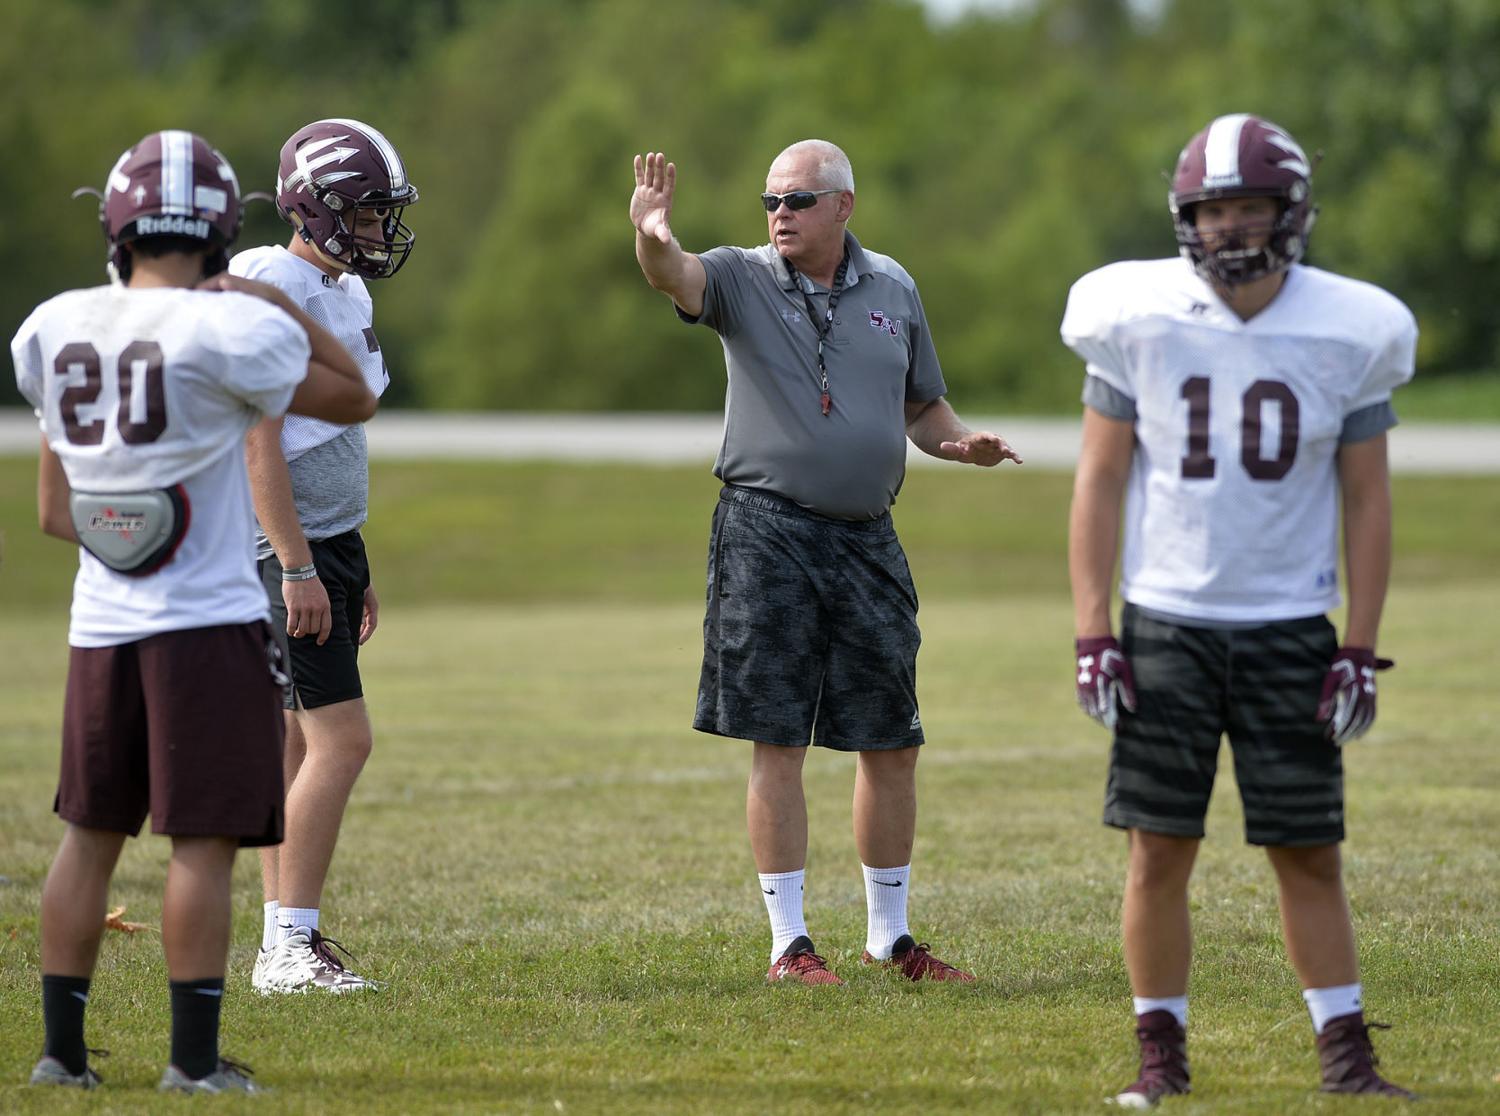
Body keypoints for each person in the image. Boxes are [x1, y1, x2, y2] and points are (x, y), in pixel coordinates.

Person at [1062, 113, 1417, 1106]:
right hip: (1166, 622)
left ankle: (1347, 1060)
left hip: (1288, 624)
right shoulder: (1134, 312)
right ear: (1188, 216)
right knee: (1158, 849)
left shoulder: (1352, 324)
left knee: (1309, 851)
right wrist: (1095, 630)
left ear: (1290, 211)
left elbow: (1369, 497)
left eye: (1248, 204)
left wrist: (1359, 644)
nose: (1229, 225)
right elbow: (1097, 481)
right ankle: (1158, 1061)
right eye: (1212, 208)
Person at [13, 130, 376, 1093]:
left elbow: (56, 511)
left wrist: (134, 532)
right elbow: (352, 396)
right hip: (206, 622)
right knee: (202, 849)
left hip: (102, 622)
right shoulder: (232, 325)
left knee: (88, 837)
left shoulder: (57, 324)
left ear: (115, 226)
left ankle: (60, 1055)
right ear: (222, 232)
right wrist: (259, 293)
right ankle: (191, 1061)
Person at [630, 141, 1021, 985]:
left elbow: (922, 405)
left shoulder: (895, 287)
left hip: (868, 535)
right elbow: (674, 276)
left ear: (844, 205)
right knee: (778, 738)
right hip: (765, 528)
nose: (780, 215)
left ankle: (891, 938)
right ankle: (790, 945)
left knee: (892, 739)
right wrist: (654, 233)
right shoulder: (739, 274)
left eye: (798, 200)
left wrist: (959, 443)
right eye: (771, 199)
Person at [232, 118, 418, 995]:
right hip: (290, 554)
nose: (382, 228)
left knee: (299, 746)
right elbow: (259, 439)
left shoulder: (343, 290)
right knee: (343, 742)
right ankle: (286, 948)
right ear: (317, 207)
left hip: (328, 546)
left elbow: (329, 440)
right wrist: (295, 561)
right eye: (370, 211)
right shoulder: (273, 280)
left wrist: (349, 555)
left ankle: (284, 939)